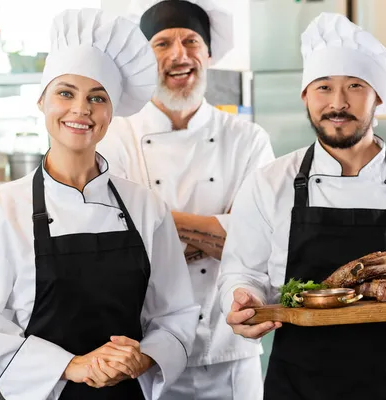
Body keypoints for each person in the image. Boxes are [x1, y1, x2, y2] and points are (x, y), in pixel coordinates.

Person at [0, 8, 200, 400]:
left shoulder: (145, 206)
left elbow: (176, 314)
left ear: (110, 112)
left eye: (97, 98)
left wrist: (146, 357)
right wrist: (72, 365)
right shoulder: (2, 208)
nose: (80, 109)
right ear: (42, 101)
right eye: (65, 92)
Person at [218, 12, 386, 400]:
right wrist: (243, 298)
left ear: (377, 95)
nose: (338, 103)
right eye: (324, 87)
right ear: (305, 97)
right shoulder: (267, 183)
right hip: (292, 388)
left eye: (355, 86)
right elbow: (242, 271)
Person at [96, 1, 275, 398]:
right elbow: (115, 243)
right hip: (143, 353)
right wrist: (221, 228)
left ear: (208, 53)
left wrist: (152, 221)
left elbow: (260, 243)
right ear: (144, 58)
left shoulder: (247, 140)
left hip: (230, 351)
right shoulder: (116, 136)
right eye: (162, 43)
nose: (180, 55)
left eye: (191, 41)